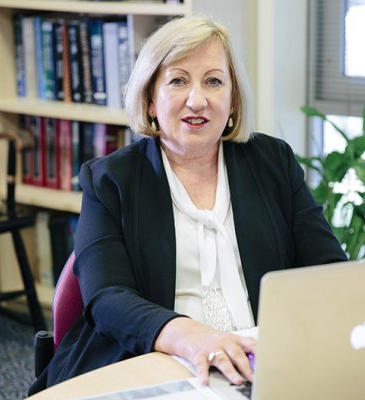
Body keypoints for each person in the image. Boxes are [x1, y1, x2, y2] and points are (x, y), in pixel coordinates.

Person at [29, 15, 347, 395]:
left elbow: (328, 270)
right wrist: (188, 336)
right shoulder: (110, 179)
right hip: (148, 361)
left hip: (260, 364)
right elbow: (106, 298)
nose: (197, 99)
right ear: (150, 100)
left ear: (232, 101)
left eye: (213, 81)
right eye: (178, 80)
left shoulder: (272, 161)